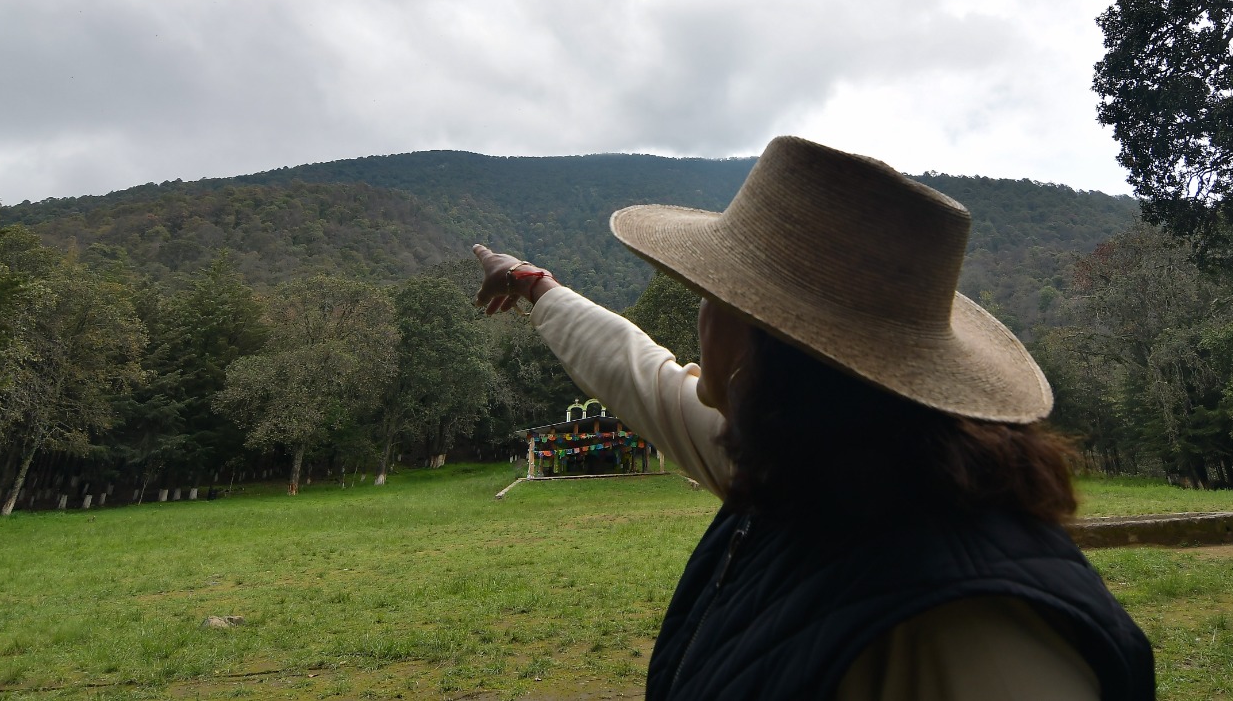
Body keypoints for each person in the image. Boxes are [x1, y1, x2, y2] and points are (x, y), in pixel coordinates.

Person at [474, 136, 1154, 701]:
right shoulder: (816, 470)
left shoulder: (969, 626)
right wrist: (538, 287)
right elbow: (639, 375)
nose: (699, 312)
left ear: (755, 341)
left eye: (709, 294)